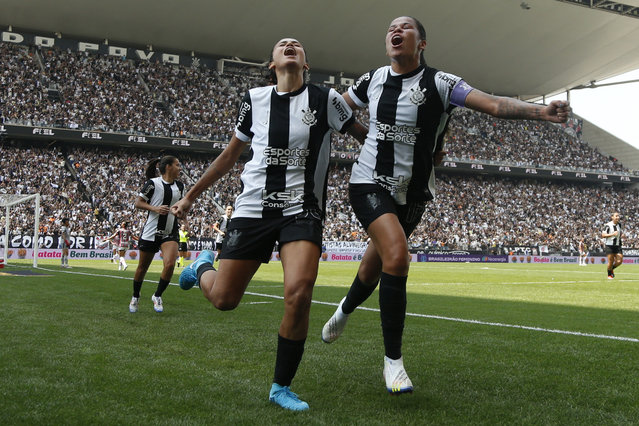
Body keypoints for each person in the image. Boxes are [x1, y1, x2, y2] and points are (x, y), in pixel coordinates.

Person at [321, 16, 572, 395]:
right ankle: (393, 364)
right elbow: (335, 107)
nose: (395, 31)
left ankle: (344, 309)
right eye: (391, 27)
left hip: (414, 193)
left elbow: (492, 105)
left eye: (405, 27)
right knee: (398, 256)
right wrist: (360, 134)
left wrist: (541, 112)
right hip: (368, 182)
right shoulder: (372, 79)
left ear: (421, 43)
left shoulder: (440, 83)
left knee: (375, 264)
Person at [171, 37, 362, 411]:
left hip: (302, 210)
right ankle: (203, 266)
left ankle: (280, 387)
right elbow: (229, 157)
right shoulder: (254, 99)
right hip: (253, 209)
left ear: (306, 64)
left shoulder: (327, 100)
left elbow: (365, 138)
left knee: (300, 291)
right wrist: (190, 195)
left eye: (297, 44)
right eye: (282, 44)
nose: (290, 44)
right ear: (272, 64)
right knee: (225, 300)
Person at [129, 155, 185, 313]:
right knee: (142, 268)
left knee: (170, 264)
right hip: (151, 231)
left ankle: (157, 295)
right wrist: (155, 208)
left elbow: (180, 207)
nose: (180, 168)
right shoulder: (153, 184)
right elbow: (138, 203)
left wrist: (183, 216)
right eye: (177, 164)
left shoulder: (180, 186)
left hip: (170, 231)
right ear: (168, 167)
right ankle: (135, 296)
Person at [601, 212, 623, 279]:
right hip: (609, 246)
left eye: (618, 216)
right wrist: (612, 234)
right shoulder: (608, 225)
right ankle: (609, 274)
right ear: (612, 217)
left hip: (618, 245)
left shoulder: (619, 224)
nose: (618, 217)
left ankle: (611, 269)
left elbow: (619, 233)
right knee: (611, 261)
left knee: (619, 261)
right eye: (616, 216)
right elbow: (603, 235)